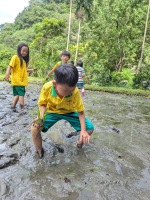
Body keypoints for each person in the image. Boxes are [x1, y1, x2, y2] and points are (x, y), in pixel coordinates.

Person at [31, 64, 94, 158]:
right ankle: (39, 151)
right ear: (55, 84)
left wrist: (83, 130)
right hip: (52, 111)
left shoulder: (75, 91)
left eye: (71, 90)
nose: (69, 93)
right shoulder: (47, 87)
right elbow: (42, 104)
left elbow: (81, 111)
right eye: (66, 90)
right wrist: (40, 118)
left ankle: (79, 144)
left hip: (70, 112)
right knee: (34, 128)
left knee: (89, 128)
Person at [4, 43, 34, 111]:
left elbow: (23, 70)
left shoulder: (23, 61)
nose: (25, 53)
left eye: (26, 52)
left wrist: (31, 70)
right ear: (19, 50)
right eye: (23, 51)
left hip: (17, 81)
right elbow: (10, 66)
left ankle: (13, 106)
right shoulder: (15, 57)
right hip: (19, 81)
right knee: (21, 95)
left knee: (17, 95)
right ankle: (22, 109)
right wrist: (7, 73)